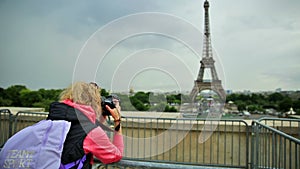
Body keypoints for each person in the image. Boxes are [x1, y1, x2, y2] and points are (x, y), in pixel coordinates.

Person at [47, 81, 123, 168]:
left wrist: (99, 117)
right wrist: (117, 120)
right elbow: (115, 155)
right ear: (95, 102)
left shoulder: (54, 119)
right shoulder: (91, 132)